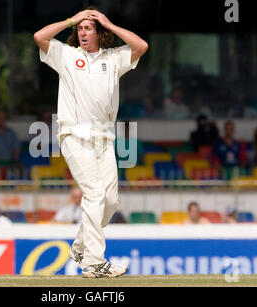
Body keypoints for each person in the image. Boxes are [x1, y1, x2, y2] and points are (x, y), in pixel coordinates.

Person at [34, 6, 148, 278]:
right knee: (95, 195)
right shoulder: (67, 55)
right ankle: (94, 262)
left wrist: (109, 22)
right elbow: (40, 36)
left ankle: (81, 245)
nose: (83, 32)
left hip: (104, 138)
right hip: (74, 135)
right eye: (80, 29)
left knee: (110, 201)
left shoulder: (114, 58)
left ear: (100, 33)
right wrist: (71, 19)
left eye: (88, 28)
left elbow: (141, 45)